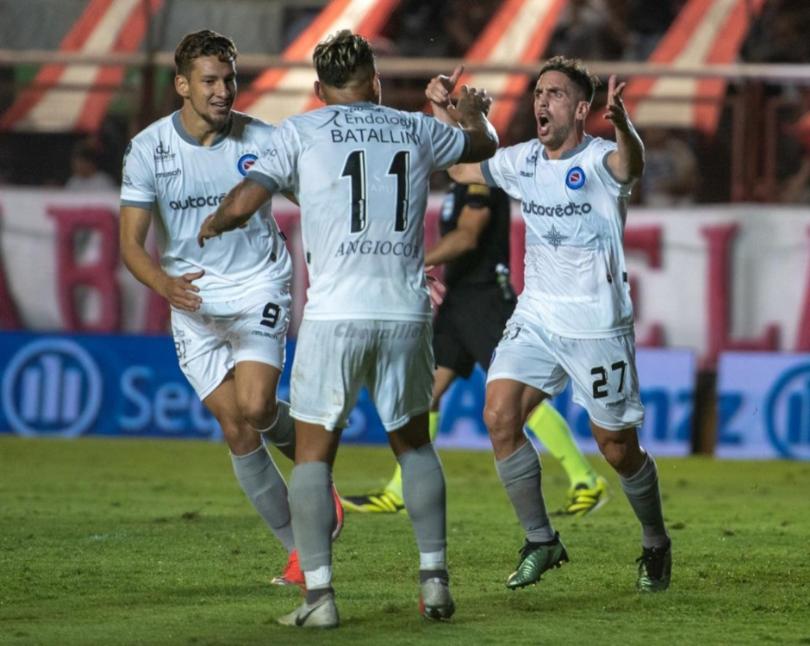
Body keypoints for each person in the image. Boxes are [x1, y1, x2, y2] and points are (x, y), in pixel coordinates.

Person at [197, 30, 498, 628]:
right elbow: (482, 142)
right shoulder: (415, 128)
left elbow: (245, 201)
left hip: (336, 313)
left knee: (313, 456)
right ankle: (435, 582)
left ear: (318, 89)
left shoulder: (300, 132)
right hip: (406, 311)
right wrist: (471, 112)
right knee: (414, 444)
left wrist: (213, 223)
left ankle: (320, 597)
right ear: (376, 83)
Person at [426, 57, 671, 593]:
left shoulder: (601, 158)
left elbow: (631, 164)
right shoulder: (523, 160)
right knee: (499, 416)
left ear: (582, 110)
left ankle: (655, 539)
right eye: (539, 92)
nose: (542, 100)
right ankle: (541, 540)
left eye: (556, 93)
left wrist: (624, 124)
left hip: (597, 325)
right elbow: (462, 169)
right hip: (536, 316)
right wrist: (443, 110)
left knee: (617, 448)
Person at [119, 29, 341, 591]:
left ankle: (316, 474)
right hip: (192, 303)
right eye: (210, 81)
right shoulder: (148, 150)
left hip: (257, 286)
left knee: (257, 404)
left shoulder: (262, 140)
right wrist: (164, 285)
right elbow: (130, 244)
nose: (223, 91)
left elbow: (322, 202)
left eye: (229, 80)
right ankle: (299, 550)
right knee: (237, 429)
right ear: (182, 85)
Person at [341, 180, 609, 516]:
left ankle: (585, 480)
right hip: (457, 303)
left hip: (486, 303)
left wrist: (412, 263)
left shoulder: (480, 183)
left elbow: (467, 237)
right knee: (425, 394)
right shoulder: (457, 187)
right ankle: (401, 491)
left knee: (517, 398)